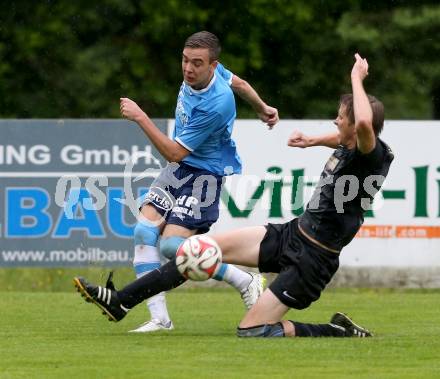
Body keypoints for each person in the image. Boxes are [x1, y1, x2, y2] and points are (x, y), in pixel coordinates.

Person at [74, 53, 393, 337]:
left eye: (341, 116)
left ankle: (336, 330)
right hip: (292, 234)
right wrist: (311, 141)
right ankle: (120, 302)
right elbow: (347, 134)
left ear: (359, 127)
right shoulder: (351, 144)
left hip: (314, 260)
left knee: (252, 330)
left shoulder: (371, 155)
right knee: (193, 252)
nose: (336, 120)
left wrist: (356, 77)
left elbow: (362, 122)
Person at [117, 31, 279, 332]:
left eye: (197, 63)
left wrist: (141, 118)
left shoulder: (216, 104)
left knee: (172, 246)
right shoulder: (207, 74)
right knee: (143, 230)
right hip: (178, 170)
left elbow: (175, 152)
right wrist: (261, 107)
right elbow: (241, 83)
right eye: (185, 60)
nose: (188, 69)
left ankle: (244, 279)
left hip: (204, 174)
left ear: (212, 66)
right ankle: (160, 319)